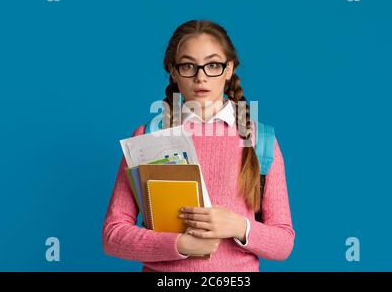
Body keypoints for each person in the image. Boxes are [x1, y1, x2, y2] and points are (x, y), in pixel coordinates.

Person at [102, 20, 295, 272]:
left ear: (229, 69)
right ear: (173, 71)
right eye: (188, 66)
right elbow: (113, 236)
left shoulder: (261, 140)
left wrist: (239, 226)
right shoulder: (149, 136)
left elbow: (283, 244)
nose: (200, 76)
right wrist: (179, 244)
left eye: (213, 65)